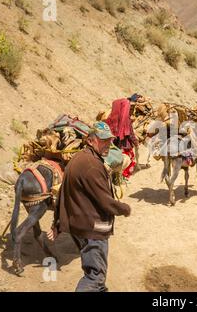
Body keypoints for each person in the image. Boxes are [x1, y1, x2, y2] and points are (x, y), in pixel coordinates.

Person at [47, 121, 131, 292]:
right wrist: (124, 209)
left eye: (109, 140)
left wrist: (57, 223)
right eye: (103, 140)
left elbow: (63, 193)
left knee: (97, 278)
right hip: (93, 229)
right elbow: (105, 201)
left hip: (80, 226)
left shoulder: (79, 158)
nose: (107, 144)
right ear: (91, 140)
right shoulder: (92, 165)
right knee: (95, 276)